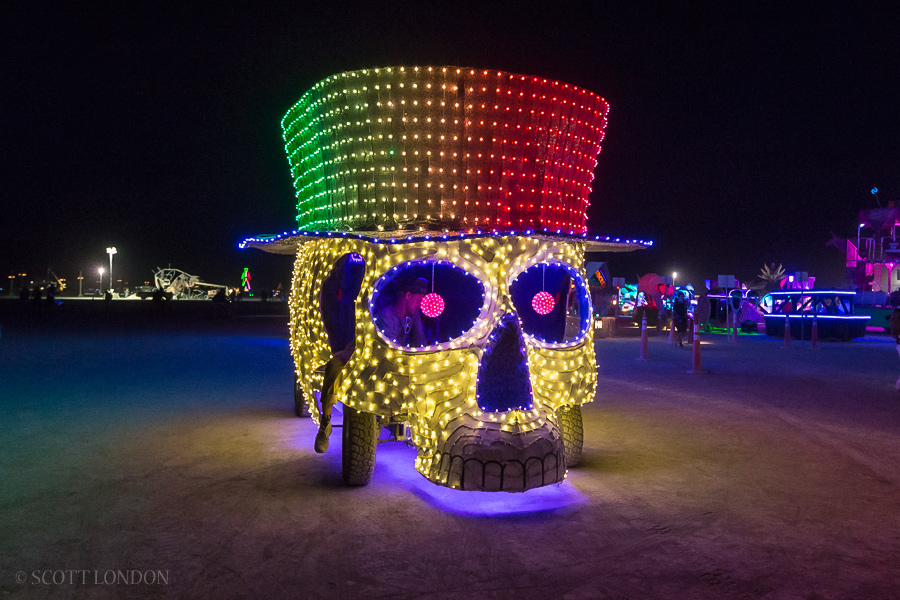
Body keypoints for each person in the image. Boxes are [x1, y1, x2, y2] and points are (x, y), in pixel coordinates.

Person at [314, 276, 428, 453]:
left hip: (392, 363)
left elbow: (419, 343)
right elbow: (384, 351)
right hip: (361, 353)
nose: (421, 305)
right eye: (419, 300)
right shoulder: (385, 316)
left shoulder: (410, 318)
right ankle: (325, 424)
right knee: (335, 367)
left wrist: (418, 321)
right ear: (407, 296)